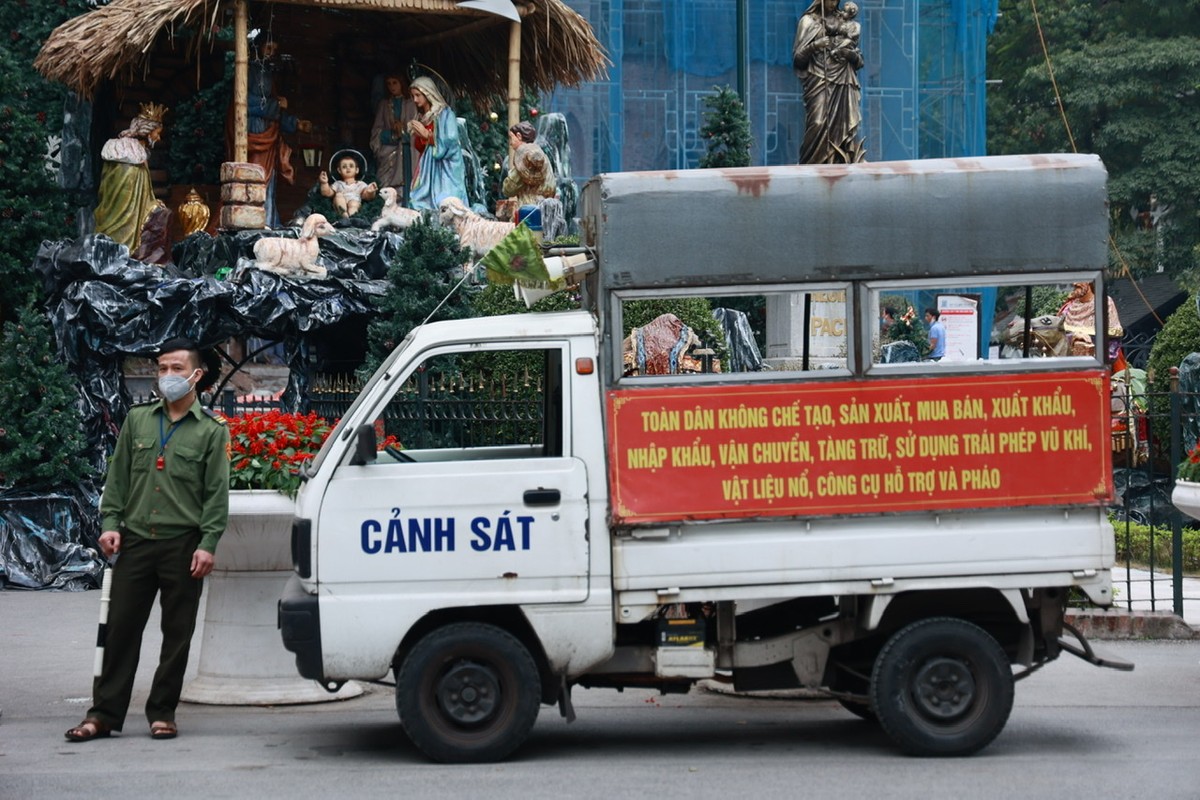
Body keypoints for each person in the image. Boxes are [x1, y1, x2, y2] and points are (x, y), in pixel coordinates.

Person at [64, 338, 230, 744]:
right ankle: (103, 714)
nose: (167, 376)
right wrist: (110, 523)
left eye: (176, 368)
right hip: (136, 542)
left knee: (177, 635)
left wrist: (208, 543)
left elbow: (216, 493)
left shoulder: (211, 431)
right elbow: (117, 478)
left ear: (197, 374)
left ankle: (162, 712)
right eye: (162, 368)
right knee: (120, 629)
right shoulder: (138, 420)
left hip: (183, 544)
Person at [238, 39, 311, 228]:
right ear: (258, 46)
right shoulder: (248, 70)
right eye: (268, 47)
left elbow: (274, 107)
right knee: (255, 177)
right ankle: (253, 220)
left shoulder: (267, 72)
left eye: (275, 49)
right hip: (254, 131)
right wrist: (275, 105)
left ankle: (268, 219)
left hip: (268, 133)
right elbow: (245, 102)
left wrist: (295, 123)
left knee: (268, 180)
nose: (272, 52)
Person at [792, 0, 867, 164]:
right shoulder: (808, 21)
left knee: (846, 126)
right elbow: (798, 59)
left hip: (844, 79)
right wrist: (815, 46)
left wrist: (849, 54)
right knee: (818, 123)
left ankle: (841, 161)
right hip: (819, 78)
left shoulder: (845, 21)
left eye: (836, 0)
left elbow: (859, 60)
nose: (833, 3)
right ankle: (811, 165)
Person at [94, 103, 168, 254]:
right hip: (126, 220)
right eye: (157, 133)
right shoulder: (134, 156)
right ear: (148, 132)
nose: (158, 138)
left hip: (111, 215)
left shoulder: (128, 151)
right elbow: (132, 200)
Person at [406, 75, 468, 211]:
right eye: (413, 96)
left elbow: (451, 139)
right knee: (419, 195)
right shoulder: (423, 116)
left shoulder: (445, 113)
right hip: (429, 163)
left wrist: (428, 135)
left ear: (428, 93)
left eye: (418, 95)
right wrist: (421, 137)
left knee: (447, 199)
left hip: (446, 164)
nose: (415, 100)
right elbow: (420, 147)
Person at [500, 122, 557, 221]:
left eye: (511, 138)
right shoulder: (543, 156)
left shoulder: (522, 157)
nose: (510, 142)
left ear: (519, 136)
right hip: (546, 209)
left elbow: (509, 188)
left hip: (526, 208)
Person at [370, 73, 417, 193]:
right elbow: (376, 130)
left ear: (402, 83)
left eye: (395, 83)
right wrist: (390, 135)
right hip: (388, 150)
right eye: (389, 84)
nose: (392, 87)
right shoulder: (384, 104)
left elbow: (415, 128)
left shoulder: (411, 104)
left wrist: (403, 131)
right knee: (385, 183)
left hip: (407, 150)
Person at [1060, 280, 1123, 358]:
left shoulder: (1103, 303)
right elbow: (1058, 335)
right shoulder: (1069, 306)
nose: (1074, 283)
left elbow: (1113, 338)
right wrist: (1074, 336)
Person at [319, 150, 378, 218]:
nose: (348, 168)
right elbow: (328, 193)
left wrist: (370, 191)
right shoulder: (338, 184)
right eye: (344, 167)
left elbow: (366, 196)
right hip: (340, 204)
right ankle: (343, 214)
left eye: (351, 166)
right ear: (339, 170)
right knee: (339, 195)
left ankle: (352, 217)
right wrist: (324, 183)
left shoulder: (360, 184)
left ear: (357, 170)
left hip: (354, 202)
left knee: (354, 203)